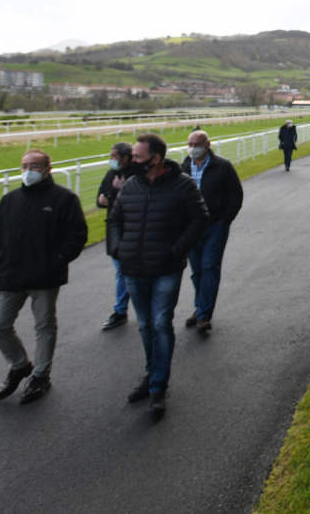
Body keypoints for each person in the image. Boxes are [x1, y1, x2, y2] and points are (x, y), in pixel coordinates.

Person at [107, 133, 208, 414]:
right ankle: (152, 374)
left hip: (166, 268)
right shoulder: (131, 185)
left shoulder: (183, 185)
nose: (132, 161)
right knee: (145, 325)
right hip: (133, 267)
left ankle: (158, 386)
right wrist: (117, 248)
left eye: (138, 157)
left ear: (156, 158)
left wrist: (177, 250)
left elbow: (200, 219)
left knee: (161, 323)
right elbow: (115, 220)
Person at [0, 149, 88, 404]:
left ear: (47, 169)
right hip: (9, 276)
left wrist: (55, 262)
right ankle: (20, 365)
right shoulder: (10, 200)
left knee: (44, 326)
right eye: (24, 166)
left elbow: (77, 236)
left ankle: (41, 375)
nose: (28, 171)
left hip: (45, 277)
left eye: (34, 166)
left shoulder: (65, 199)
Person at [180, 130, 244, 334]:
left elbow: (236, 194)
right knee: (197, 271)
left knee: (209, 267)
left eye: (197, 144)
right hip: (191, 227)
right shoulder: (183, 167)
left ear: (207, 145)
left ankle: (204, 315)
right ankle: (200, 307)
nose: (193, 148)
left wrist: (225, 220)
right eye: (190, 144)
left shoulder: (223, 166)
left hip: (215, 226)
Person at [97, 141, 137, 330]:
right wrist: (109, 195)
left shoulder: (137, 174)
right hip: (115, 229)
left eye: (114, 156)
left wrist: (116, 193)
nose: (111, 159)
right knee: (122, 271)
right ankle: (121, 310)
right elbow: (100, 200)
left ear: (126, 157)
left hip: (134, 228)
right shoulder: (111, 174)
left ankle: (126, 309)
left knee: (127, 272)